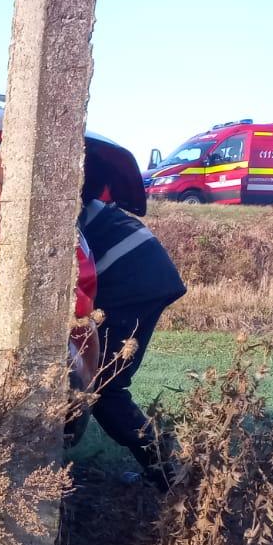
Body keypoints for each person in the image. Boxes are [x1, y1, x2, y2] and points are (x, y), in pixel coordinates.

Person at [79, 158, 187, 488]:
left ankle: (169, 475)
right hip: (144, 275)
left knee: (103, 387)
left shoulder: (61, 207)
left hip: (134, 282)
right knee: (103, 382)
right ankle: (169, 469)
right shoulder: (79, 202)